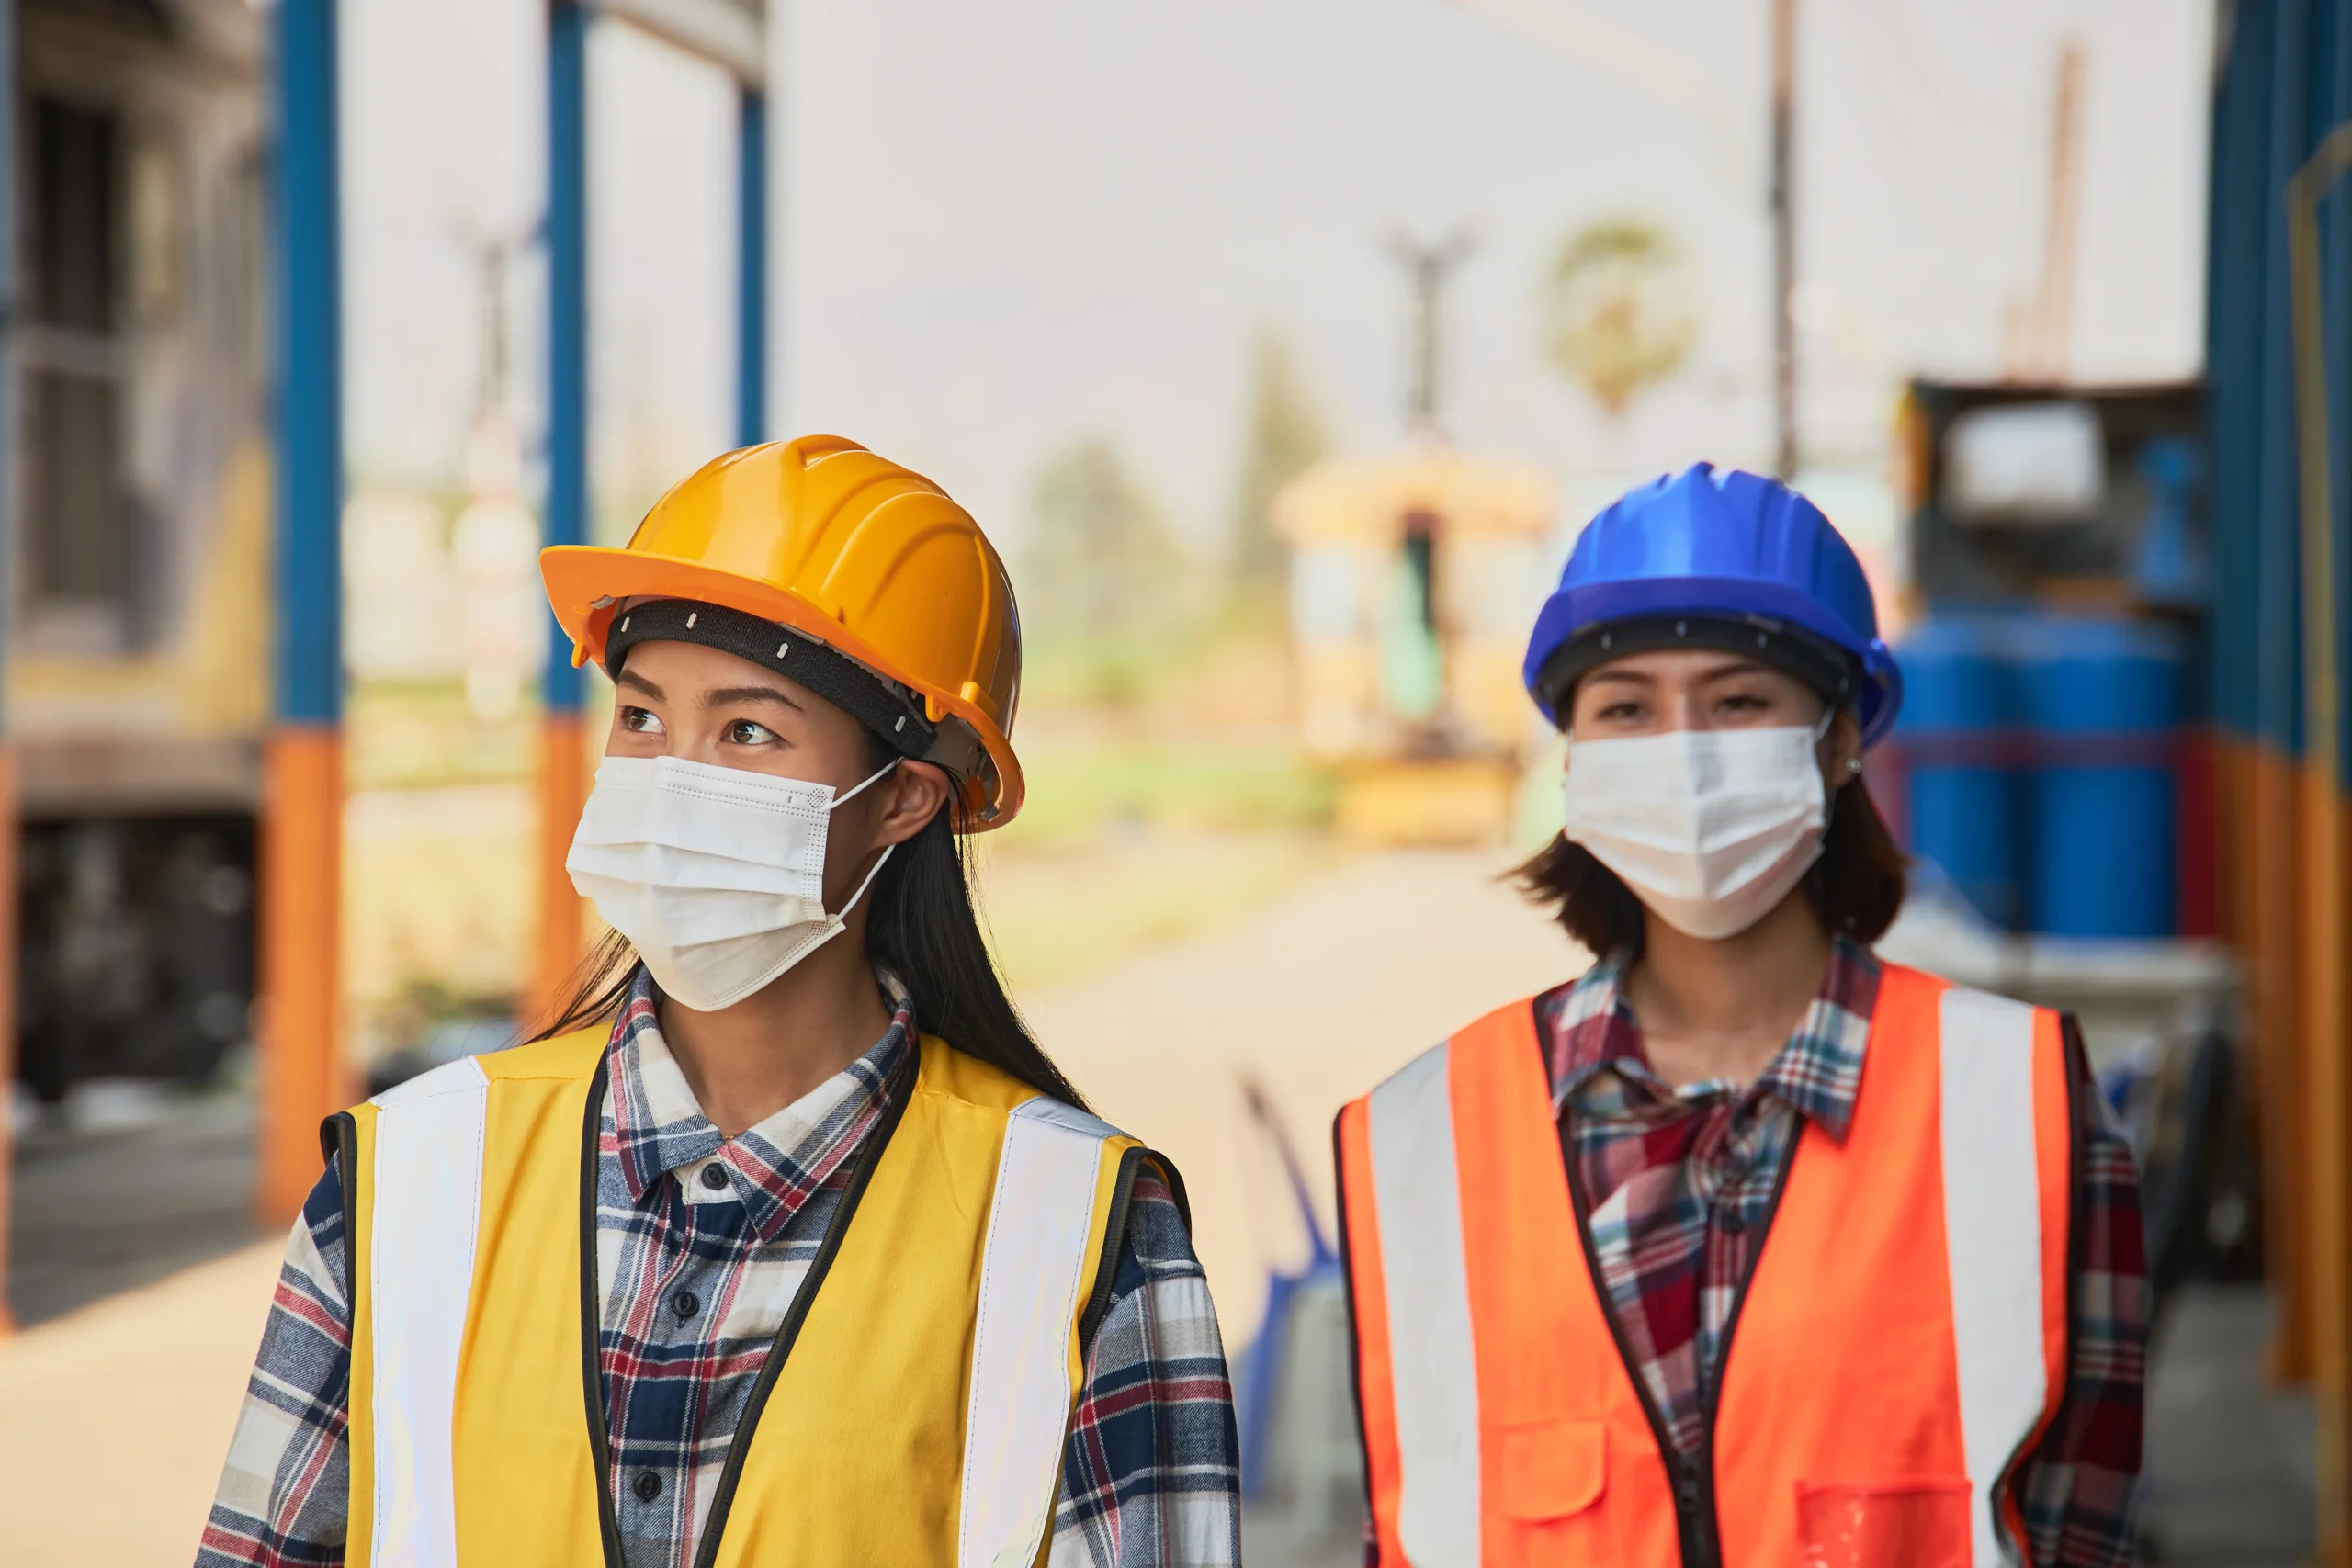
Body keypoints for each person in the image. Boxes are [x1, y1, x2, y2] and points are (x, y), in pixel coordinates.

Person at [198, 436, 1241, 1568]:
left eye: (747, 731)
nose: (671, 779)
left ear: (901, 799)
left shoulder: (1077, 1228)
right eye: (642, 718)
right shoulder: (409, 1180)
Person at [1334, 465, 2143, 1567]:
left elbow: (2080, 1524)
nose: (1683, 754)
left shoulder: (2018, 1102)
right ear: (1573, 759)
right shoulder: (1418, 1139)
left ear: (1841, 738)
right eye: (1626, 709)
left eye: (1738, 702)